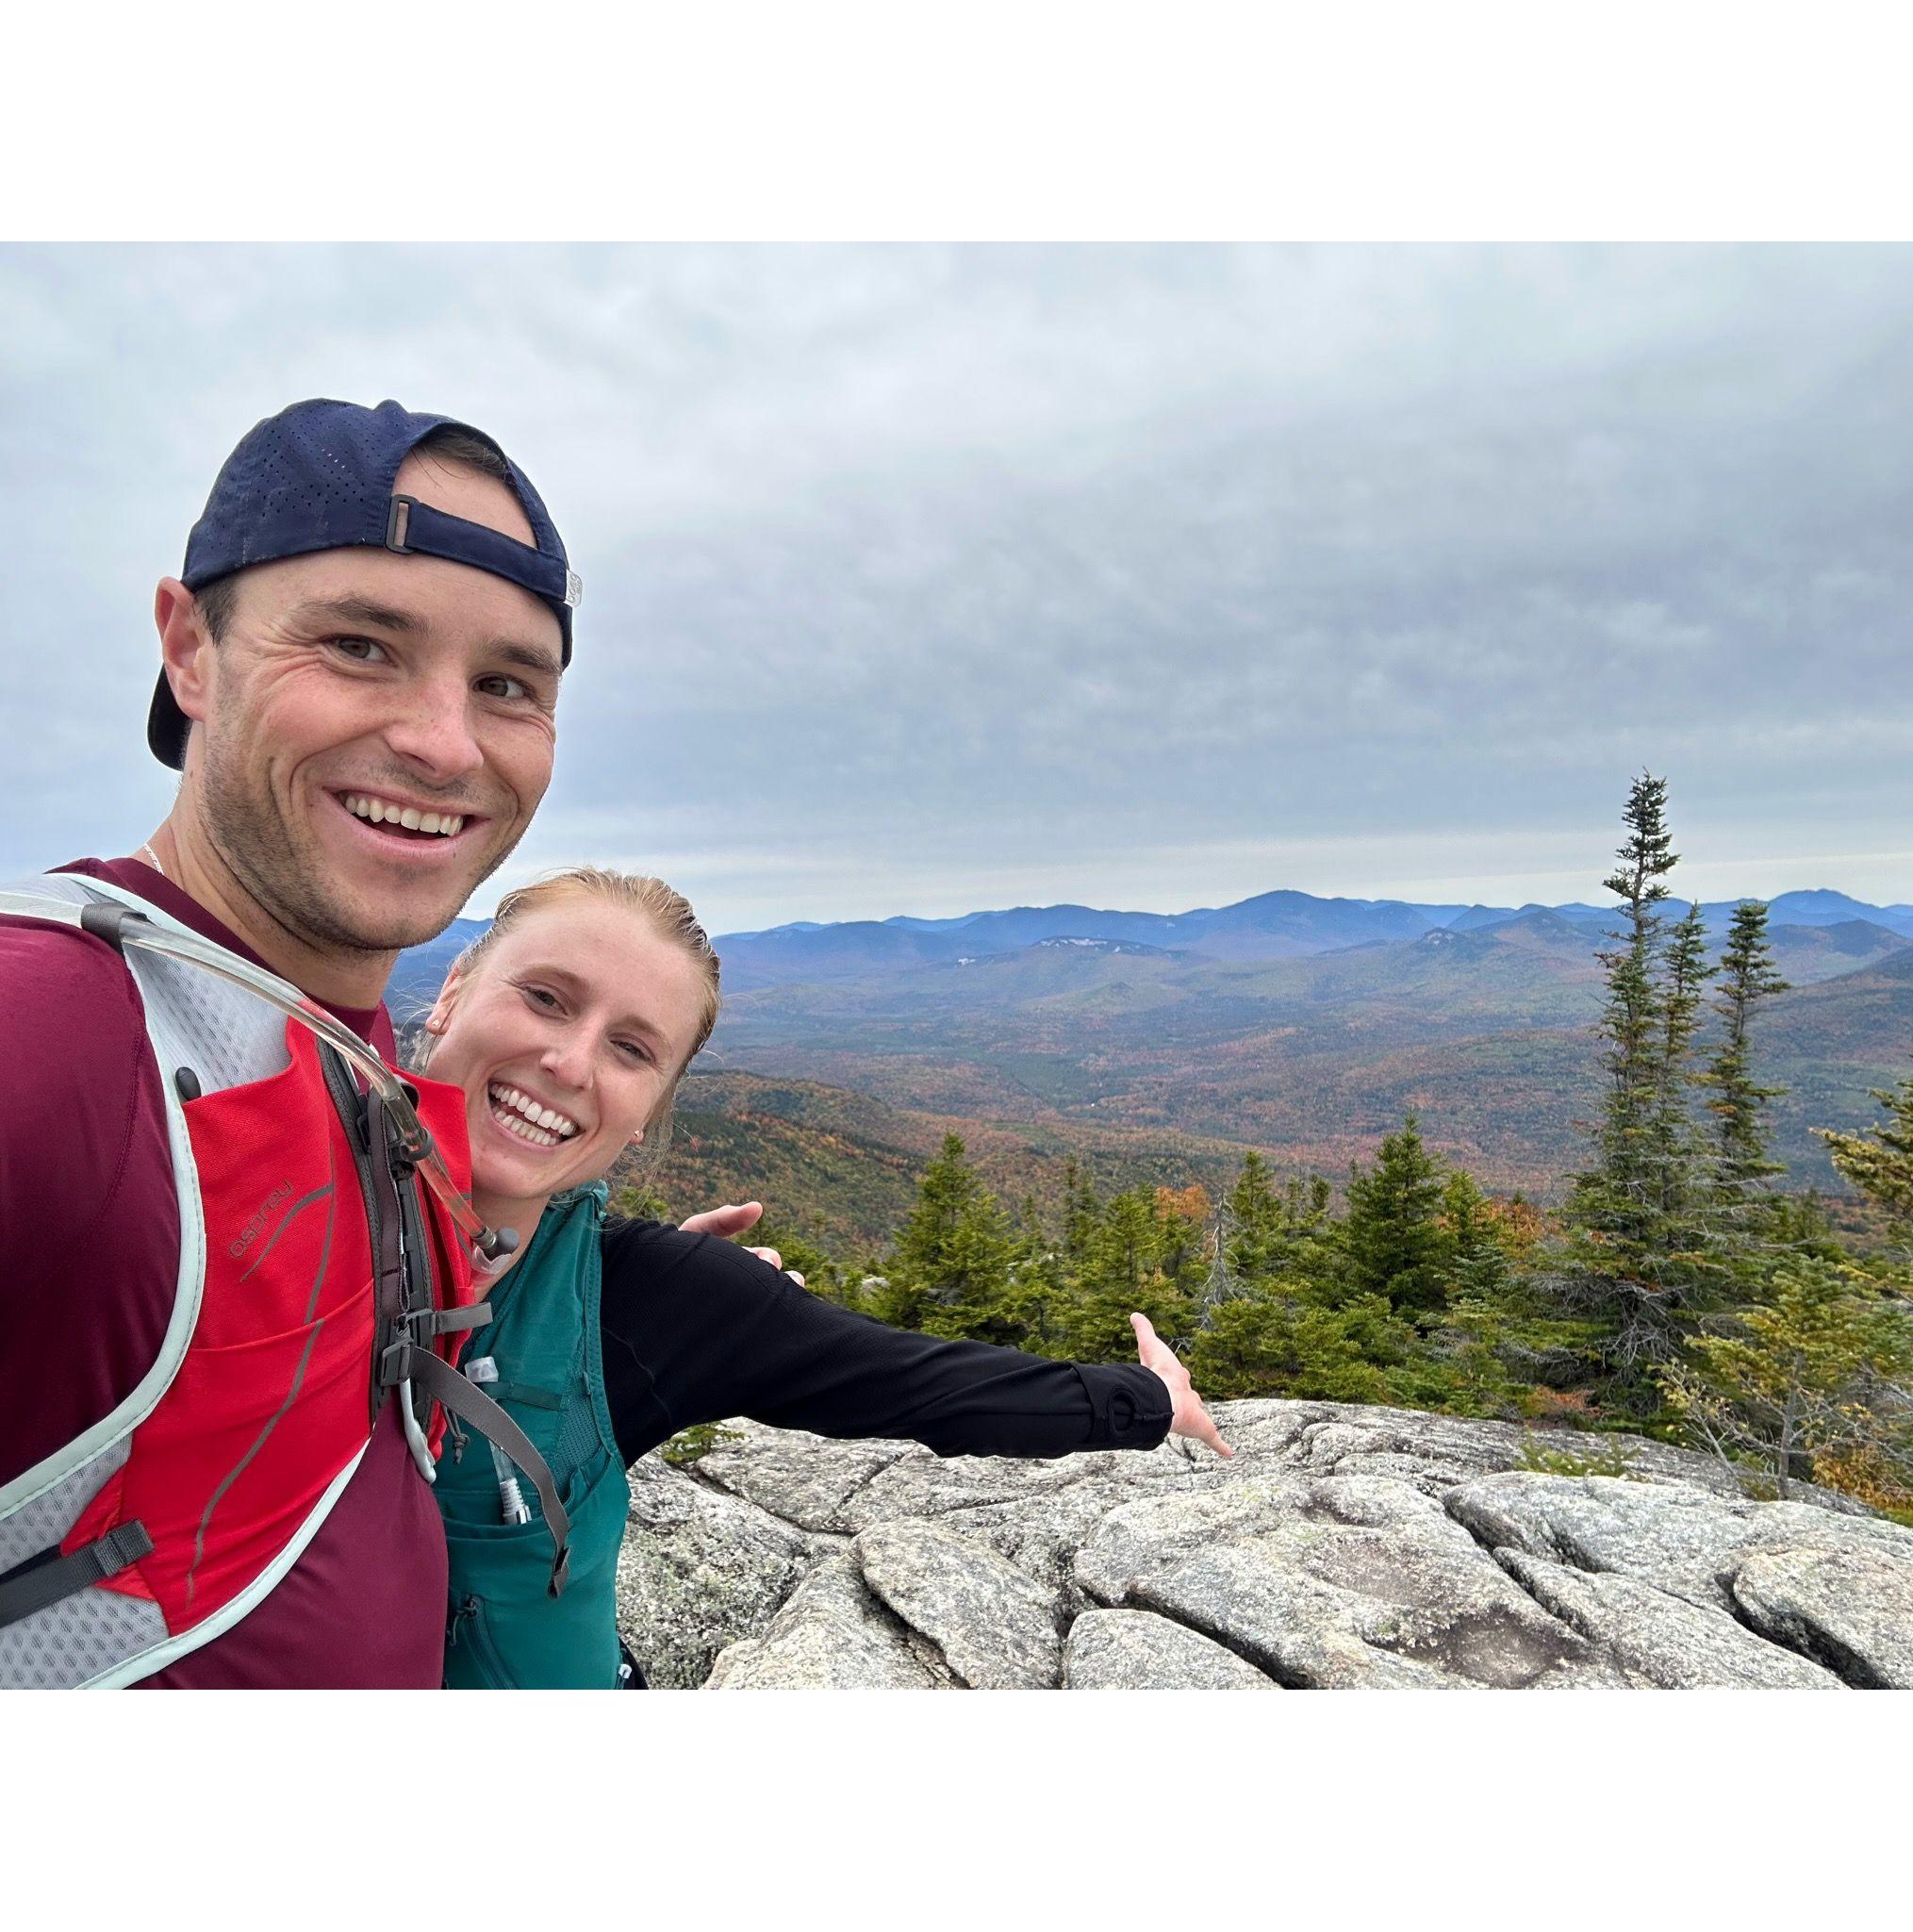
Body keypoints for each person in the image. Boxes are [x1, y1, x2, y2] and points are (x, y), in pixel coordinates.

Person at [0, 398, 609, 1687]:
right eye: (359, 644)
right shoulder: (56, 1026)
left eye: (506, 684)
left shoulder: (335, 1029)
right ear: (190, 649)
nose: (446, 742)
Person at [416, 866, 1231, 1689]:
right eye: (546, 998)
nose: (569, 1061)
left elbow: (920, 1384)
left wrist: (1148, 1400)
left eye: (631, 1048)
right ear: (452, 990)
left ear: (649, 1114)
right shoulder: (294, 1207)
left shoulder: (653, 1301)